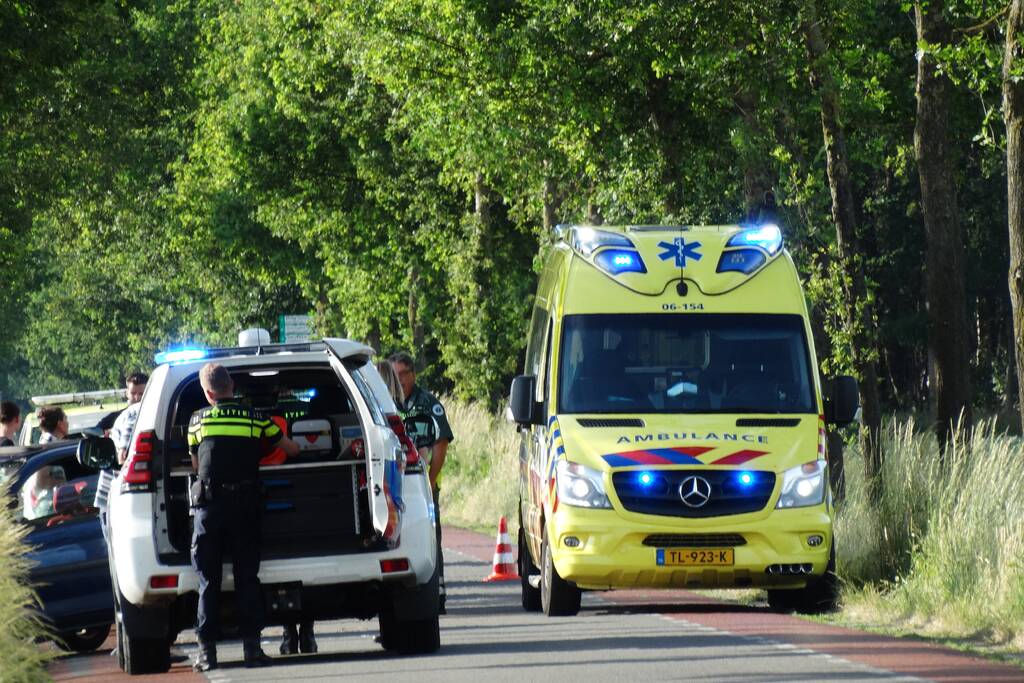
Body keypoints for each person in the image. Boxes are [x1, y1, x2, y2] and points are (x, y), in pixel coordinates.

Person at [188, 363, 299, 671]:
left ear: (209, 394)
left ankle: (207, 655)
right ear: (232, 386)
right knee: (246, 578)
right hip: (245, 505)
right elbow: (291, 449)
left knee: (208, 581)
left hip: (209, 508)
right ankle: (252, 650)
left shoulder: (197, 422)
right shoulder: (256, 419)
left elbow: (196, 464)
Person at [388, 351, 454, 614]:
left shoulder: (428, 404)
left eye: (404, 374)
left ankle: (436, 592)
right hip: (394, 486)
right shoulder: (385, 403)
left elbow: (441, 443)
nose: (400, 379)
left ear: (413, 374)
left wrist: (430, 479)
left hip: (423, 484)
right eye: (396, 374)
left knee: (430, 536)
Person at [110, 372, 149, 464]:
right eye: (133, 393)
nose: (137, 397)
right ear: (127, 393)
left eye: (141, 394)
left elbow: (130, 428)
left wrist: (123, 450)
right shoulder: (124, 413)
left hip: (126, 462)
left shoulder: (134, 410)